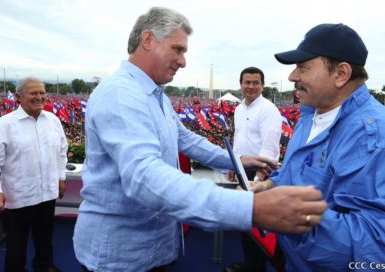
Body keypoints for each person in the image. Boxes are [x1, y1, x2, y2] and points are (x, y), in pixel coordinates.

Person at [73, 7, 327, 272]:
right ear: (148, 41)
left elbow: (185, 138)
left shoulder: (153, 94)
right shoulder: (121, 94)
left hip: (149, 248)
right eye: (178, 49)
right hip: (120, 256)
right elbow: (143, 177)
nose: (183, 61)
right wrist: (251, 208)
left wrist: (236, 160)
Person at [267, 23, 385, 271]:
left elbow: (371, 243)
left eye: (303, 67)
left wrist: (283, 214)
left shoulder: (370, 136)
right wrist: (269, 185)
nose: (292, 77)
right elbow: (298, 173)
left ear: (341, 74)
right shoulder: (311, 113)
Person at [0, 77, 68, 272]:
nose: (39, 97)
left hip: (47, 193)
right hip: (19, 196)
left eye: (42, 92)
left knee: (45, 237)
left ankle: (44, 266)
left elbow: (62, 151)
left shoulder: (53, 121)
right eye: (33, 93)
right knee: (17, 243)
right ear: (18, 97)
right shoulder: (4, 125)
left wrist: (61, 177)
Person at [226, 67, 282, 272]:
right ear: (240, 84)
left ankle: (256, 267)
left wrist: (258, 179)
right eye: (246, 82)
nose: (250, 86)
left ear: (262, 85)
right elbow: (238, 140)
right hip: (243, 170)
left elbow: (270, 149)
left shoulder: (268, 110)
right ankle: (249, 264)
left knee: (257, 224)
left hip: (259, 174)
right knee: (245, 220)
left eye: (255, 82)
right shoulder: (239, 109)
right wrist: (233, 163)